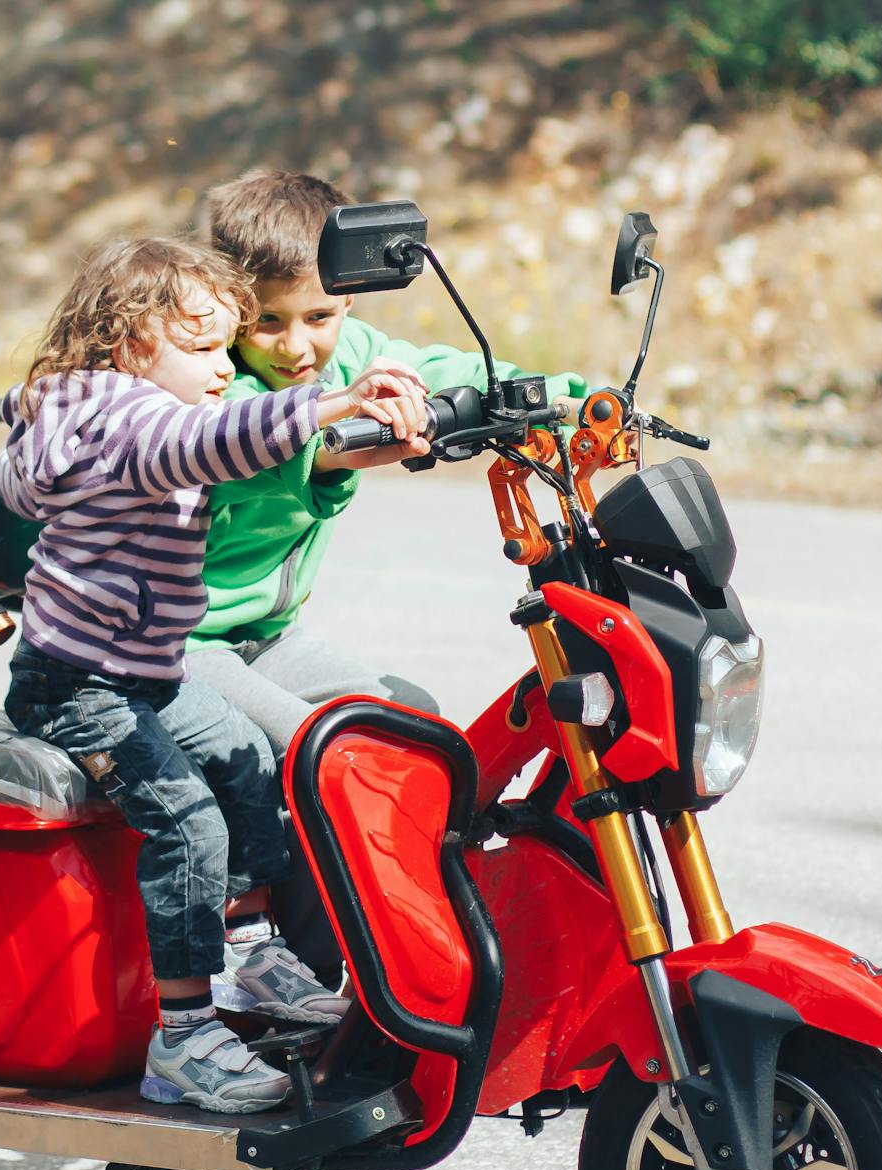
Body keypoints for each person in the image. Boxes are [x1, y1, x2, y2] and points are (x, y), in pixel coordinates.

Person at [0, 236, 429, 1114]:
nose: (225, 367)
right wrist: (330, 405)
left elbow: (27, 479)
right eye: (205, 346)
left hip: (147, 667)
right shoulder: (139, 425)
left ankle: (251, 947)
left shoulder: (86, 406)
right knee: (187, 824)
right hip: (77, 683)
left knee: (248, 755)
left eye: (227, 345)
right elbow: (217, 439)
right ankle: (183, 1038)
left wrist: (2, 447)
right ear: (135, 346)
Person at [189, 169, 590, 753]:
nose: (295, 347)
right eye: (268, 321)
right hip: (184, 644)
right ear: (230, 309)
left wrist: (572, 397)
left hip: (271, 639)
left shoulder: (356, 355)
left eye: (318, 317)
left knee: (418, 724)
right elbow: (267, 446)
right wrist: (342, 450)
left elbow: (452, 370)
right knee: (315, 749)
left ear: (348, 295)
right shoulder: (216, 382)